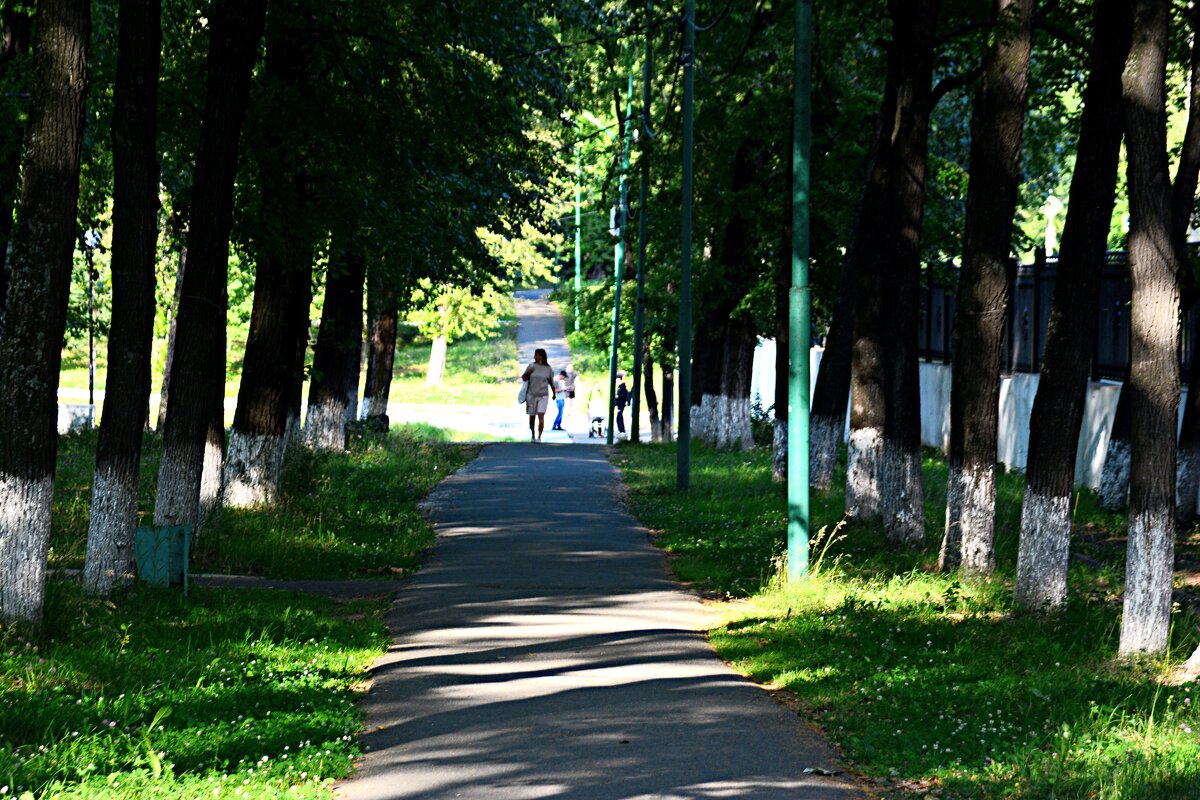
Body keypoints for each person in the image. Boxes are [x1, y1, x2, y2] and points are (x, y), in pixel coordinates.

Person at [521, 348, 555, 441]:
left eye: (536, 355)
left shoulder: (548, 368)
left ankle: (539, 436)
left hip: (543, 395)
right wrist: (529, 372)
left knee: (541, 415)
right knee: (532, 416)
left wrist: (554, 393)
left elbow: (551, 382)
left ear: (541, 356)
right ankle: (533, 434)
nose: (534, 356)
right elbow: (524, 378)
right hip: (531, 394)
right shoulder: (531, 366)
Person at [615, 370, 630, 438]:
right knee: (618, 417)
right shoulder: (620, 386)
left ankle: (622, 431)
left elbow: (624, 395)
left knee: (619, 417)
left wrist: (618, 396)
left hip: (621, 404)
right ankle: (621, 430)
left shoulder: (622, 386)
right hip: (619, 404)